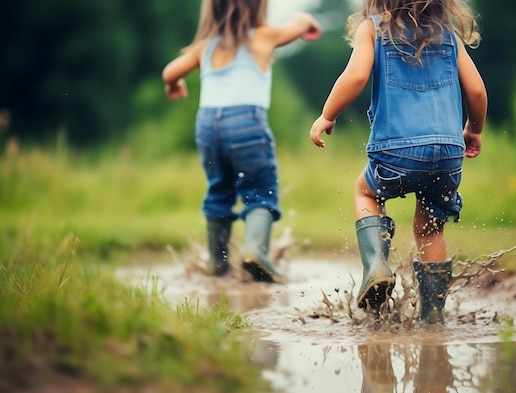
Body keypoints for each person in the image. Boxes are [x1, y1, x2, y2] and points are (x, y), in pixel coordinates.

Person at [310, 0, 487, 322]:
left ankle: (377, 265)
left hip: (396, 151)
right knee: (431, 229)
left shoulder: (374, 29)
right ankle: (433, 317)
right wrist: (473, 130)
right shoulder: (448, 35)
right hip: (448, 154)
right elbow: (476, 90)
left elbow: (355, 76)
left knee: (366, 192)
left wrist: (327, 115)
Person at [163, 0, 321, 283]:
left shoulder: (205, 46)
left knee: (218, 189)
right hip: (246, 122)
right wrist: (308, 21)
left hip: (208, 127)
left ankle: (217, 266)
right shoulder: (263, 36)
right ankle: (255, 250)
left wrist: (174, 84)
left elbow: (169, 72)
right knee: (259, 189)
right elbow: (298, 24)